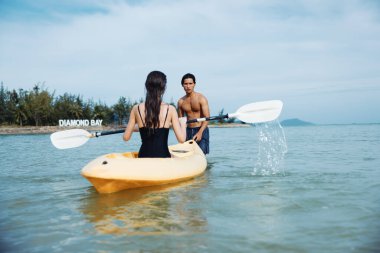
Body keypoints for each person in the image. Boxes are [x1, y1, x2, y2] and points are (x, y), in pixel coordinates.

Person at [123, 71, 187, 158]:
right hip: (163, 156)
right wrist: (183, 124)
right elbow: (181, 139)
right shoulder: (170, 109)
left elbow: (126, 138)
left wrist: (139, 128)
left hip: (143, 156)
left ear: (146, 86)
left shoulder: (136, 108)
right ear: (164, 88)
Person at [177, 73, 210, 154]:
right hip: (188, 131)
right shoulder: (181, 102)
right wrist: (181, 136)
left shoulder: (201, 98)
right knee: (188, 155)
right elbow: (180, 120)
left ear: (194, 84)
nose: (188, 86)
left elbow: (207, 117)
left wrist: (200, 133)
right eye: (185, 84)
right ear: (182, 85)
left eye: (190, 83)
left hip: (201, 129)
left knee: (201, 154)